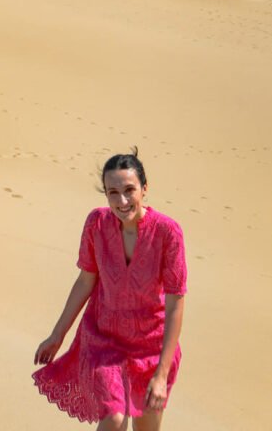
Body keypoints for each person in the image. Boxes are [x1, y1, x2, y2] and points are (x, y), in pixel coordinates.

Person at [32, 148, 187, 429]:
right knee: (114, 418)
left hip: (151, 348)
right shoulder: (97, 223)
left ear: (145, 189)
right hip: (104, 340)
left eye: (129, 190)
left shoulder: (168, 232)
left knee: (147, 428)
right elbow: (85, 281)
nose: (122, 200)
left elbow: (176, 303)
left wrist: (161, 374)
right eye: (112, 192)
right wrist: (57, 335)